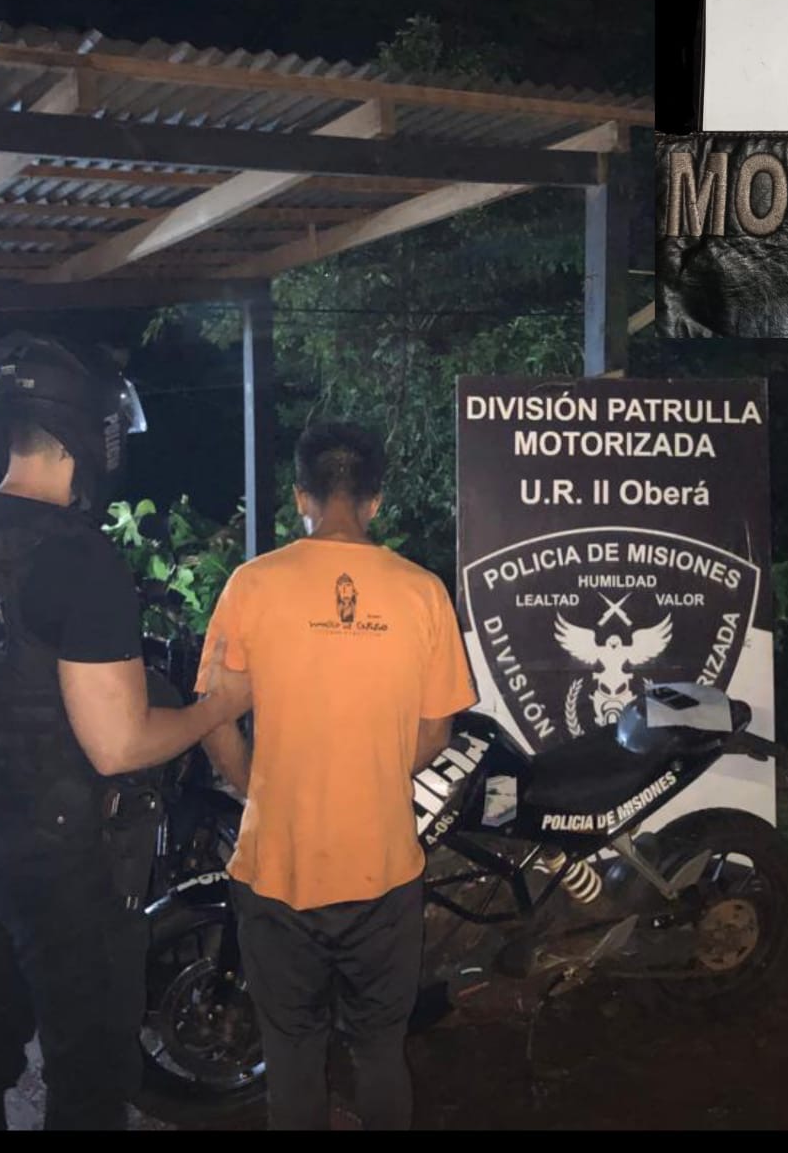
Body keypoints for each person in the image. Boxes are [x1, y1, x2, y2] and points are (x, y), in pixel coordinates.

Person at [0, 332, 251, 1130]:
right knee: (88, 1074)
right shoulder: (79, 560)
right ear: (90, 434)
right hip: (60, 861)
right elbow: (118, 744)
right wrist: (215, 710)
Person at [196, 422, 476, 1131]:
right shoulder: (422, 593)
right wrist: (369, 774)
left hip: (276, 868)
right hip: (383, 872)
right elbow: (435, 734)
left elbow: (216, 720)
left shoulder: (251, 585)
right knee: (380, 1051)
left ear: (301, 497)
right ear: (376, 501)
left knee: (292, 1054)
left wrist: (259, 787)